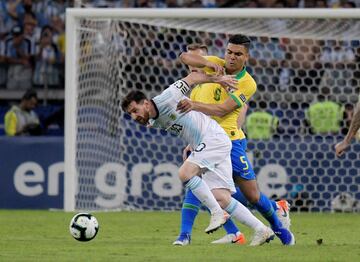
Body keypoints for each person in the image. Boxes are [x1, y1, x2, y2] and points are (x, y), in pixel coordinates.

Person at [121, 71, 274, 246]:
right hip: (210, 142)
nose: (134, 116)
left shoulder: (166, 98)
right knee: (221, 197)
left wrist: (220, 79)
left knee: (185, 173)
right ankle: (262, 229)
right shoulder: (152, 120)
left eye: (135, 110)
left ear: (146, 103)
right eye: (130, 114)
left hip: (213, 139)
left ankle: (217, 213)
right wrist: (191, 144)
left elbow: (192, 78)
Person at [177, 34, 295, 245]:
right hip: (206, 142)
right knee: (200, 186)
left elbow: (223, 110)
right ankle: (185, 236)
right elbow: (185, 58)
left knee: (253, 197)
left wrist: (194, 106)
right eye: (229, 52)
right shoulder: (215, 66)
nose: (231, 57)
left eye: (237, 54)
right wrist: (208, 63)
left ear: (246, 57)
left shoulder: (247, 83)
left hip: (231, 143)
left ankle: (281, 230)